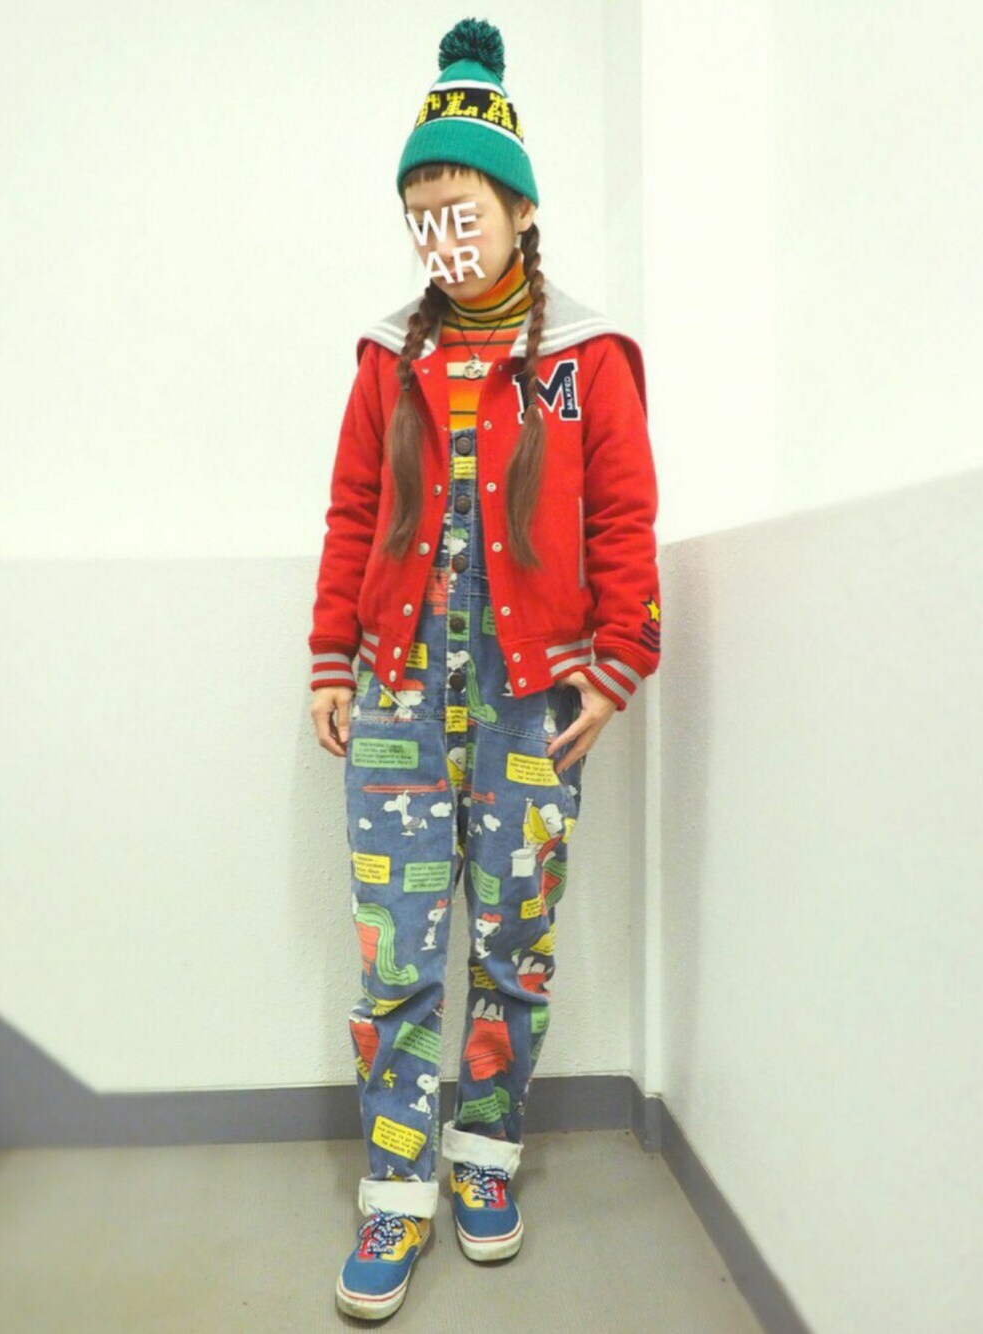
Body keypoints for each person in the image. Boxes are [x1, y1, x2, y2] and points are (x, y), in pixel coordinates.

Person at [307, 17, 662, 1322]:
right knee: (396, 956)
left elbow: (625, 522)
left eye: (461, 214)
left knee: (515, 947)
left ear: (519, 212)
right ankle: (396, 1188)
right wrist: (331, 657)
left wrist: (616, 667)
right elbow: (353, 513)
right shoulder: (386, 359)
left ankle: (486, 1157)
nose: (443, 241)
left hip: (533, 709)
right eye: (423, 220)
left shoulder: (589, 358)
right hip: (397, 699)